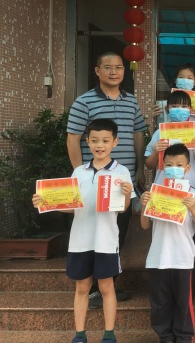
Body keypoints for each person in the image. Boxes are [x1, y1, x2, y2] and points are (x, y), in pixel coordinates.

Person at [34, 118, 133, 343]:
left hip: (106, 241)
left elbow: (123, 208)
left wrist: (127, 194)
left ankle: (109, 335)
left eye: (105, 140)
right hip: (80, 240)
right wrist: (47, 201)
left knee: (106, 287)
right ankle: (79, 334)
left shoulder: (121, 172)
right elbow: (72, 206)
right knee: (82, 287)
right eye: (95, 140)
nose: (100, 145)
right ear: (87, 142)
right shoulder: (79, 172)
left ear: (115, 142)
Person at [66, 51, 146, 308]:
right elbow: (73, 139)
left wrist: (140, 168)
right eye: (108, 67)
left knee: (116, 234)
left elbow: (138, 135)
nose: (114, 72)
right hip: (92, 182)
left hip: (121, 182)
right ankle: (90, 289)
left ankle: (106, 284)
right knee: (90, 233)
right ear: (97, 71)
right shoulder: (84, 102)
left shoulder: (131, 101)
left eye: (119, 67)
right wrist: (80, 175)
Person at [140, 143, 195, 343]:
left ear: (187, 168)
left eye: (179, 165)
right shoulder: (156, 192)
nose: (173, 168)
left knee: (182, 302)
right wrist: (144, 206)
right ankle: (165, 337)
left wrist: (193, 209)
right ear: (162, 166)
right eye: (169, 165)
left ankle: (184, 337)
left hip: (182, 258)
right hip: (158, 258)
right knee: (160, 303)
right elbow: (145, 225)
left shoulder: (193, 194)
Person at [144, 90, 195, 187]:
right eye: (174, 106)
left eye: (184, 106)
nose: (179, 109)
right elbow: (149, 165)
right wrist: (155, 152)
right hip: (163, 186)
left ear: (190, 109)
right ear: (167, 109)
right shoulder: (160, 133)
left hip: (191, 185)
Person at [151, 63, 195, 142]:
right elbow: (159, 131)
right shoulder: (165, 104)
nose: (185, 80)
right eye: (181, 77)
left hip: (194, 144)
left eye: (189, 78)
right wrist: (155, 119)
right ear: (176, 80)